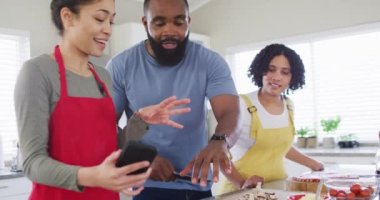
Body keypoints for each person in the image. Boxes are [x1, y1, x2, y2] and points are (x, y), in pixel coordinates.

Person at [13, 0, 191, 200]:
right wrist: (93, 177)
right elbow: (32, 163)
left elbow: (111, 147)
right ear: (67, 17)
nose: (107, 30)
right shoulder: (37, 72)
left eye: (111, 21)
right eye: (99, 18)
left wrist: (140, 121)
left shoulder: (103, 76)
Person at [106, 0, 240, 199]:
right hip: (147, 187)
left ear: (188, 21)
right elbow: (104, 127)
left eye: (179, 22)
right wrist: (144, 158)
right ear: (145, 23)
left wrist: (220, 141)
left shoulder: (210, 62)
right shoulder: (120, 66)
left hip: (198, 186)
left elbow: (230, 112)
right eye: (159, 23)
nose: (170, 31)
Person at [219, 43, 324, 194]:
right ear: (261, 70)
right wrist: (242, 183)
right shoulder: (240, 104)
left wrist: (313, 164)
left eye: (285, 72)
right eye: (271, 69)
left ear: (292, 77)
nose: (276, 77)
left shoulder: (288, 105)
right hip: (240, 192)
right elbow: (219, 152)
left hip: (277, 188)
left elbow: (279, 145)